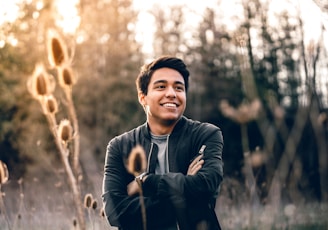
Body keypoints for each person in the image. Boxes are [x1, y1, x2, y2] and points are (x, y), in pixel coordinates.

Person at [102, 56, 224, 230]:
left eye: (178, 88)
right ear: (142, 97)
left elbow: (206, 186)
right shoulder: (120, 146)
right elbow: (115, 213)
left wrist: (145, 182)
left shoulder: (205, 134)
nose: (171, 94)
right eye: (161, 86)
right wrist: (184, 190)